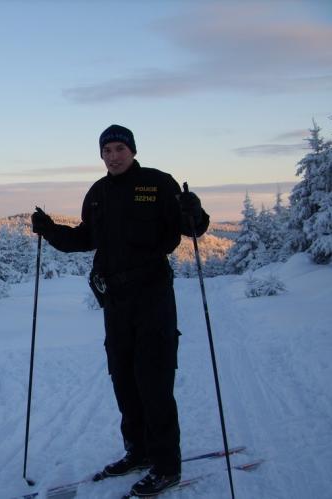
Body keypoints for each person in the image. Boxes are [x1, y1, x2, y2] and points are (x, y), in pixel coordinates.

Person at [31, 125, 209, 497]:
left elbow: (191, 227)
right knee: (124, 379)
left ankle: (166, 466)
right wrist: (48, 230)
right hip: (115, 301)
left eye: (119, 148)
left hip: (153, 295)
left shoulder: (158, 184)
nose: (113, 156)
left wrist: (195, 213)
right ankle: (139, 452)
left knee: (154, 380)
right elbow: (84, 238)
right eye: (106, 150)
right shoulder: (98, 193)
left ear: (131, 150)